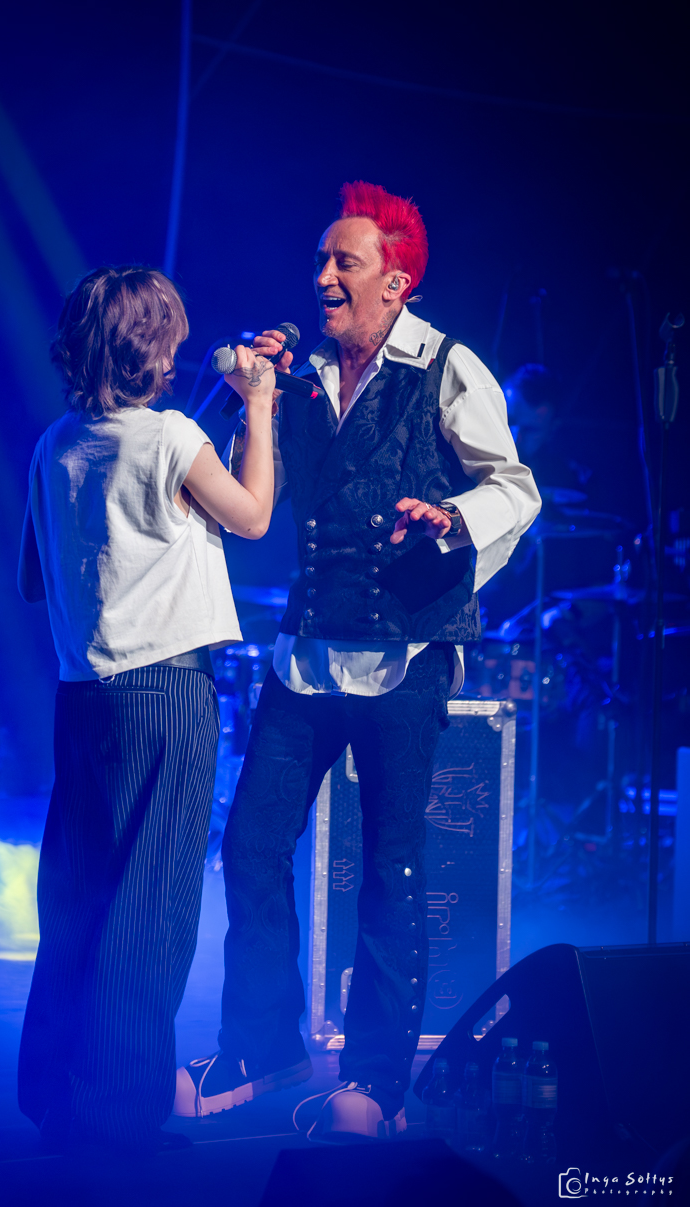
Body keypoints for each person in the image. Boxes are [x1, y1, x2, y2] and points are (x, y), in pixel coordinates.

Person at [174, 183, 541, 1140]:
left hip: (406, 651)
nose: (324, 276)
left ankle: (377, 1080)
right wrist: (251, 397)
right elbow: (246, 496)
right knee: (252, 845)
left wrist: (451, 517)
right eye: (320, 260)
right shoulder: (299, 382)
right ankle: (262, 1045)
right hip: (306, 655)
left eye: (346, 261)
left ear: (395, 282)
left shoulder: (447, 367)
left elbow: (516, 488)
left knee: (390, 863)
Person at [16, 265, 276, 1157]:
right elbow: (251, 515)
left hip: (80, 695)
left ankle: (59, 1096)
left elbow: (33, 577)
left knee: (79, 899)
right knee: (150, 905)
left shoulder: (54, 443)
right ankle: (117, 1117)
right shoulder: (171, 435)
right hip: (164, 691)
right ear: (152, 349)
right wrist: (258, 406)